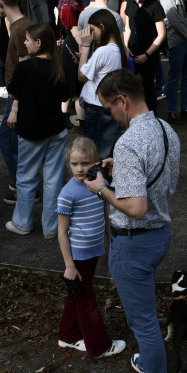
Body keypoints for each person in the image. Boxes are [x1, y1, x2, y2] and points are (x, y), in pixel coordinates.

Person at [85, 70, 181, 373]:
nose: (109, 115)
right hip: (159, 234)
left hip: (134, 241)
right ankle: (151, 364)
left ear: (122, 101)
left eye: (109, 109)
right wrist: (120, 170)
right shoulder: (165, 130)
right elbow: (160, 183)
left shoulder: (128, 143)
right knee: (146, 317)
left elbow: (135, 207)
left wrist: (101, 189)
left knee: (143, 324)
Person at [56, 136, 127, 358]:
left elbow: (106, 216)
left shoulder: (99, 186)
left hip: (94, 251)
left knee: (77, 294)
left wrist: (110, 244)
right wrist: (69, 265)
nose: (79, 169)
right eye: (74, 163)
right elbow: (61, 232)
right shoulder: (67, 194)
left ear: (95, 162)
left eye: (85, 163)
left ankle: (67, 336)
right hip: (78, 256)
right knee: (86, 299)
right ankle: (99, 347)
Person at [6, 24, 71, 239]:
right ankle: (51, 227)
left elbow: (13, 92)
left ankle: (22, 223)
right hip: (56, 130)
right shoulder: (57, 66)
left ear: (38, 42)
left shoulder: (24, 68)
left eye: (27, 39)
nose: (24, 43)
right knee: (53, 179)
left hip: (32, 131)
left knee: (26, 178)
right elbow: (64, 96)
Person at [0, 0, 31, 190]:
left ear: (0, 3)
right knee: (14, 141)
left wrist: (15, 105)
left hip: (17, 96)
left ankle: (22, 186)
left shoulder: (20, 28)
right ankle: (24, 184)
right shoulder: (19, 25)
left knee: (7, 140)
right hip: (16, 94)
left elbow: (25, 68)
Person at [78, 8, 129, 159]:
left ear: (102, 26)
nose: (91, 36)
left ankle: (95, 180)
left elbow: (81, 75)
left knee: (92, 155)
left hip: (96, 108)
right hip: (109, 106)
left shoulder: (103, 51)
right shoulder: (119, 49)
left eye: (92, 30)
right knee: (107, 152)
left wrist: (86, 46)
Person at [124, 0, 166, 111]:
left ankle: (151, 116)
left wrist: (146, 55)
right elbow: (128, 28)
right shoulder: (130, 3)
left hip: (148, 53)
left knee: (148, 88)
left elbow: (161, 35)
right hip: (131, 51)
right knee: (130, 87)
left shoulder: (155, 6)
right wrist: (125, 46)